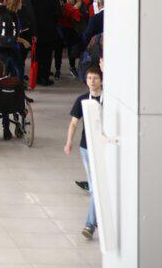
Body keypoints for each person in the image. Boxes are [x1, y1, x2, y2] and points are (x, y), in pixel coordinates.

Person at [65, 66, 103, 240]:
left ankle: (90, 223)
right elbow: (73, 123)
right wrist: (69, 142)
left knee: (97, 187)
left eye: (95, 78)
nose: (92, 81)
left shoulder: (108, 99)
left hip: (105, 146)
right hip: (87, 147)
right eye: (89, 78)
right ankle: (91, 223)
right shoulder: (81, 100)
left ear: (101, 80)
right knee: (96, 186)